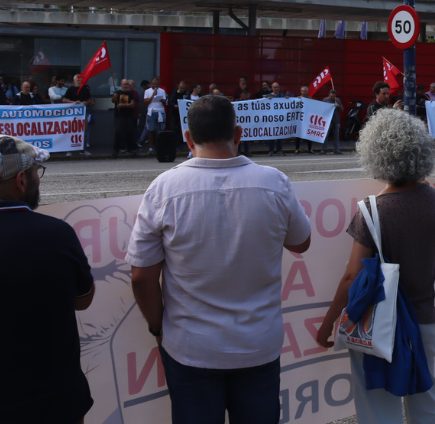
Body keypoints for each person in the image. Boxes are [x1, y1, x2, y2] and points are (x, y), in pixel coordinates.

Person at [127, 95, 312, 423]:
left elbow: (141, 276)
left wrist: (157, 325)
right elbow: (302, 242)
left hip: (190, 346)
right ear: (238, 134)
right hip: (258, 345)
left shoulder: (163, 189)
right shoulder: (274, 183)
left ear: (188, 138)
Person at [316, 108, 435, 424]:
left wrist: (328, 323)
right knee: (425, 398)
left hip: (376, 324)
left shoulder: (371, 211)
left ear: (375, 155)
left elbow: (351, 276)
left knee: (377, 406)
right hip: (422, 319)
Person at [0, 135, 94, 424]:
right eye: (35, 173)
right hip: (54, 407)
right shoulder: (57, 234)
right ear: (21, 181)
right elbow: (84, 299)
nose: (37, 180)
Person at [62, 74, 95, 157]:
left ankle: (83, 150)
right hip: (72, 114)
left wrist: (87, 103)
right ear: (74, 81)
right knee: (71, 131)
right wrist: (73, 102)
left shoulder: (85, 89)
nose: (80, 82)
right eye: (78, 80)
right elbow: (64, 100)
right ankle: (69, 150)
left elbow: (90, 101)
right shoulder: (71, 89)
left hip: (83, 114)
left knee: (84, 131)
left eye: (81, 80)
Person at [112, 79, 140, 157]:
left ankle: (130, 149)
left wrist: (122, 105)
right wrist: (114, 97)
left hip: (129, 116)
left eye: (127, 84)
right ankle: (116, 149)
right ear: (121, 84)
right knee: (118, 132)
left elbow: (132, 104)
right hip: (119, 116)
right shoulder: (117, 92)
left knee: (130, 132)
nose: (126, 86)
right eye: (125, 84)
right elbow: (113, 101)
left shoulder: (131, 94)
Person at [143, 76, 168, 155]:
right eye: (153, 85)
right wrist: (153, 96)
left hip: (160, 112)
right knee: (151, 129)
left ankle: (161, 146)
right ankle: (151, 147)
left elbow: (165, 102)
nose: (155, 86)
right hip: (151, 111)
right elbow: (146, 102)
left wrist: (160, 99)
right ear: (151, 84)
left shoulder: (162, 91)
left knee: (161, 130)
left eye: (156, 85)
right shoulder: (147, 91)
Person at [265, 82, 288, 156]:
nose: (276, 89)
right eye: (275, 87)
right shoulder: (268, 96)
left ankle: (279, 150)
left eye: (277, 87)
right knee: (272, 135)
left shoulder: (282, 96)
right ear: (272, 88)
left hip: (280, 119)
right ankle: (271, 150)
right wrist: (267, 100)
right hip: (272, 119)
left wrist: (287, 99)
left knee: (280, 135)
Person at [294, 85, 315, 155]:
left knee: (309, 135)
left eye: (304, 91)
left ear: (307, 92)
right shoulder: (297, 99)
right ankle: (297, 149)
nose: (303, 92)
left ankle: (310, 149)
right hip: (299, 120)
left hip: (307, 119)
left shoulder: (310, 99)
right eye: (302, 91)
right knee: (298, 135)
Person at [322, 88, 344, 154]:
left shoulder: (337, 100)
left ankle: (336, 149)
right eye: (331, 96)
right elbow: (321, 109)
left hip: (336, 120)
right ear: (329, 94)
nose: (332, 97)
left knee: (336, 136)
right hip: (328, 120)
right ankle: (324, 149)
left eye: (333, 96)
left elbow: (342, 110)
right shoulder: (325, 100)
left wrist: (338, 106)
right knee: (325, 135)